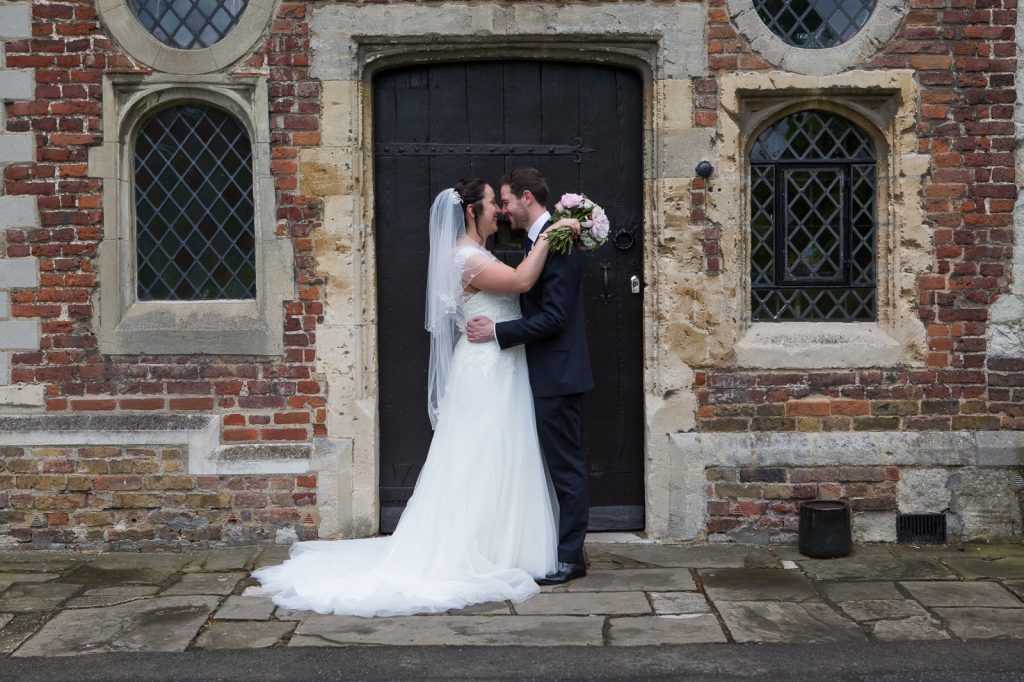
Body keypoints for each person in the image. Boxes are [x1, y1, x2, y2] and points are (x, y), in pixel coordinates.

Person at [252, 178, 579, 617]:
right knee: (481, 455)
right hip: (487, 370)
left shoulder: (476, 254)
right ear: (470, 212)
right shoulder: (465, 257)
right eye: (490, 204)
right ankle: (475, 549)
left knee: (500, 455)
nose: (498, 212)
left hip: (500, 366)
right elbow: (521, 281)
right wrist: (557, 231)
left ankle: (504, 545)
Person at [466, 167, 594, 585]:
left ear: (525, 198)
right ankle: (560, 550)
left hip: (557, 374)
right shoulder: (538, 240)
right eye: (496, 205)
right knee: (553, 465)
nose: (502, 211)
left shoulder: (559, 242)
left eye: (505, 202)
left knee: (566, 467)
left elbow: (555, 318)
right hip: (542, 373)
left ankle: (571, 559)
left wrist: (498, 332)